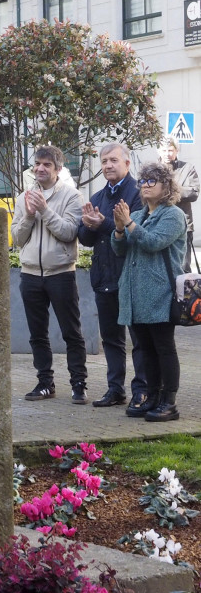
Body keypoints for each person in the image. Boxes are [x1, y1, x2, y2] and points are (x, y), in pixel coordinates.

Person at [10, 145, 87, 404]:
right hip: (30, 275)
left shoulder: (72, 197)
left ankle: (78, 383)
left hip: (61, 273)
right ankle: (45, 383)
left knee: (71, 332)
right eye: (38, 164)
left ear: (58, 170)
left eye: (47, 165)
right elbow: (18, 239)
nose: (41, 168)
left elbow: (68, 232)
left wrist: (44, 209)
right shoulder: (23, 198)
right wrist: (30, 215)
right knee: (37, 334)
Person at [112, 161, 188, 422]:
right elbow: (120, 250)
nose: (144, 186)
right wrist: (119, 229)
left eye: (151, 181)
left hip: (161, 292)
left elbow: (153, 242)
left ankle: (169, 402)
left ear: (166, 185)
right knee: (145, 348)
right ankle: (152, 397)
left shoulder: (173, 215)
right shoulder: (141, 213)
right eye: (142, 181)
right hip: (135, 294)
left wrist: (129, 224)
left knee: (164, 347)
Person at [77, 143, 146, 409]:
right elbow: (85, 239)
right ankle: (115, 389)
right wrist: (85, 224)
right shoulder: (96, 197)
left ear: (127, 163)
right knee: (111, 339)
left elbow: (134, 233)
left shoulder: (138, 194)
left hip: (131, 278)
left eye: (113, 160)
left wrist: (103, 223)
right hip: (103, 278)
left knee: (138, 339)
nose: (107, 165)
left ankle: (141, 390)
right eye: (104, 161)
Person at [165, 139, 199, 272]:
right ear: (158, 151)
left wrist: (171, 191)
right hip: (158, 224)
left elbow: (194, 192)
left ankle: (184, 293)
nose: (167, 154)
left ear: (176, 151)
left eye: (170, 150)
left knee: (183, 267)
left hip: (184, 225)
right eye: (164, 150)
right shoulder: (153, 169)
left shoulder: (187, 168)